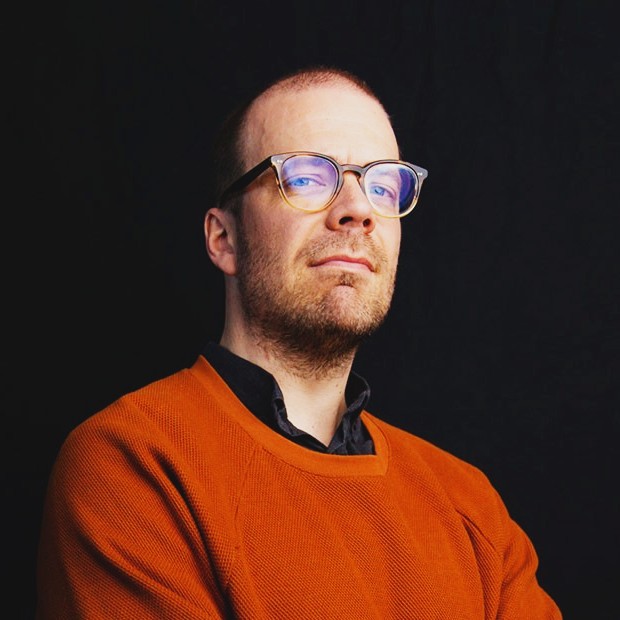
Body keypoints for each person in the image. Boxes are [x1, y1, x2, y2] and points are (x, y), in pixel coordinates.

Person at [36, 66, 562, 619]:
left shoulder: (471, 506)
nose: (358, 210)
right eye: (308, 177)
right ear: (224, 238)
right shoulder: (131, 465)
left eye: (383, 186)